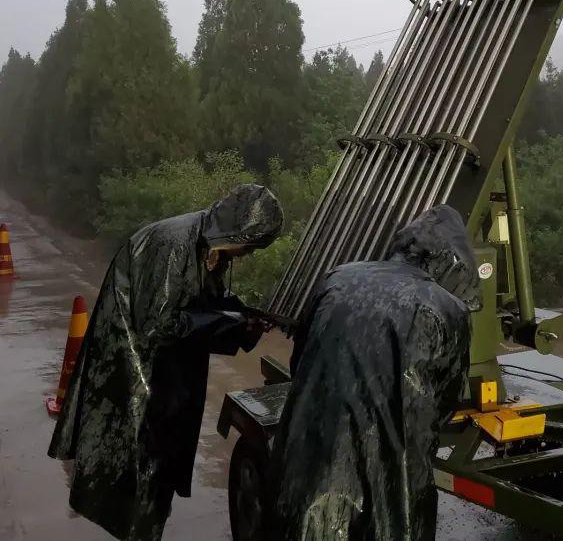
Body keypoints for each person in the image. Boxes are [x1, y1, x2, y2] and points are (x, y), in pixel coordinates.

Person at [49, 183, 283, 541]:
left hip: (165, 367)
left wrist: (243, 321)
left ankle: (147, 528)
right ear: (236, 229)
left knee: (159, 463)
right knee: (139, 463)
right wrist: (232, 321)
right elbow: (160, 323)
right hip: (136, 364)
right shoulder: (174, 245)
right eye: (249, 244)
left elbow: (202, 306)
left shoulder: (207, 244)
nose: (247, 253)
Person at [270, 204, 479, 541]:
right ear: (450, 260)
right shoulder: (446, 308)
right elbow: (446, 400)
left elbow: (301, 362)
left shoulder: (338, 277)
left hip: (310, 452)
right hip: (393, 467)